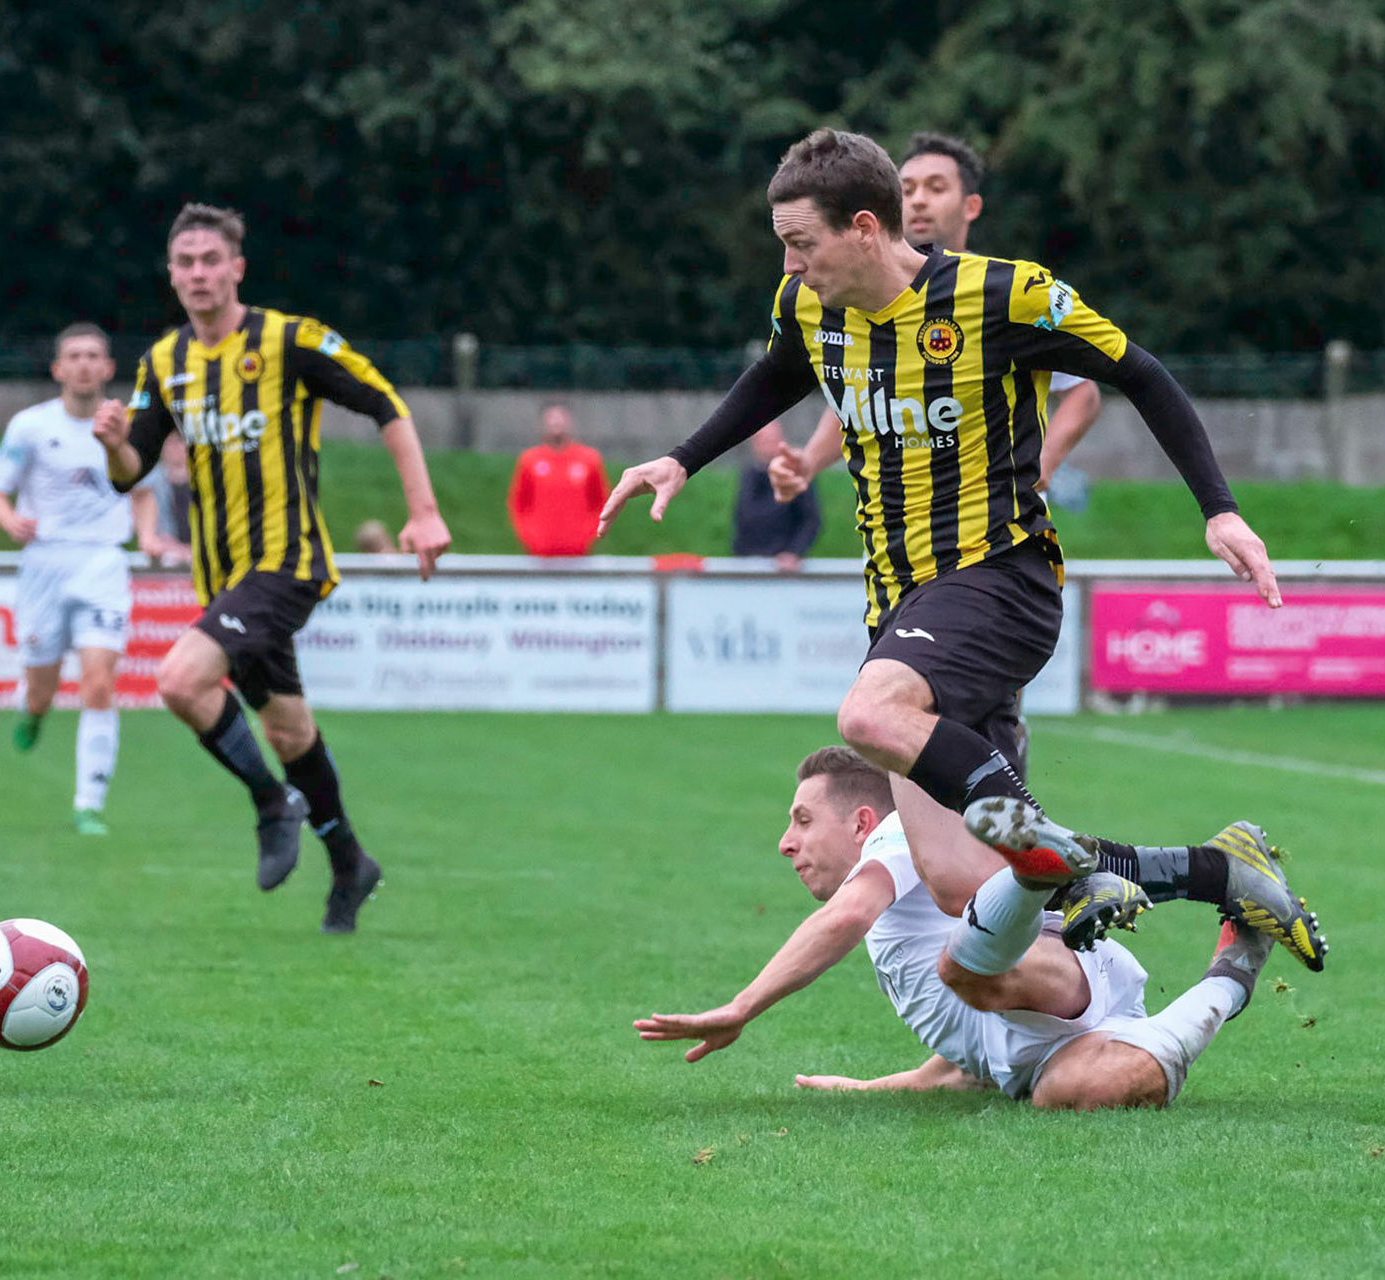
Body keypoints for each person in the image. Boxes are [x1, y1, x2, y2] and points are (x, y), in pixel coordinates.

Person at [599, 128, 1326, 974]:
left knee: (868, 717)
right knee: (960, 878)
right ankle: (1221, 870)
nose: (791, 265)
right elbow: (778, 373)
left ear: (864, 228)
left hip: (998, 576)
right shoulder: (805, 305)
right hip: (900, 603)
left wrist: (1220, 511)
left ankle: (1070, 868)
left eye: (803, 244)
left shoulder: (1004, 297)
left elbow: (1140, 372)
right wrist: (682, 459)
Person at [93, 202, 453, 934]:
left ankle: (270, 803)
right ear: (172, 275)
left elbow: (385, 402)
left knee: (178, 680)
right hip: (223, 578)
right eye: (185, 263)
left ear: (236, 269)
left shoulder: (289, 340)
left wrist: (423, 510)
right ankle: (351, 863)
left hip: (285, 564)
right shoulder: (164, 362)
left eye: (210, 260)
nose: (198, 274)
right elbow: (129, 472)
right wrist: (110, 442)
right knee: (289, 732)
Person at [635, 748, 1277, 1110]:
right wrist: (878, 1087)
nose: (785, 842)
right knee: (1084, 1095)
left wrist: (741, 1008)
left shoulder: (893, 836)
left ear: (862, 822)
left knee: (963, 971)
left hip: (1057, 970)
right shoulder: (900, 901)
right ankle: (1238, 965)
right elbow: (970, 1056)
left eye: (802, 821)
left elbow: (846, 917)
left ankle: (1048, 878)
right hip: (1044, 1036)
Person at [771, 133, 1103, 511]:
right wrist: (809, 462)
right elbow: (862, 391)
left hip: (997, 529)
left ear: (971, 206)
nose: (918, 200)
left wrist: (1041, 465)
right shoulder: (858, 294)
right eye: (907, 189)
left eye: (936, 187)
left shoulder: (1002, 297)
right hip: (899, 537)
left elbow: (1082, 393)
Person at [0, 323, 154, 836]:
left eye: (94, 356)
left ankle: (89, 803)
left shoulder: (125, 426)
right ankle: (33, 712)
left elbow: (141, 491)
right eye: (73, 356)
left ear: (108, 368)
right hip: (44, 564)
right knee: (43, 689)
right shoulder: (30, 427)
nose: (84, 364)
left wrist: (147, 537)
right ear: (58, 369)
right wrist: (8, 519)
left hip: (103, 562)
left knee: (99, 684)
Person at [507, 401, 608, 556]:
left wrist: (587, 536)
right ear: (543, 423)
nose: (556, 422)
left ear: (569, 421)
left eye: (560, 417)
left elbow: (601, 503)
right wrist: (530, 537)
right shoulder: (529, 460)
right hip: (539, 554)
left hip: (578, 553)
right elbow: (518, 504)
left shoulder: (589, 459)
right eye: (551, 418)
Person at [731, 421, 821, 569]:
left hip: (783, 565)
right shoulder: (750, 474)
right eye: (762, 441)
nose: (766, 446)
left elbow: (811, 519)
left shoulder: (794, 473)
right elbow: (742, 516)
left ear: (781, 441)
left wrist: (794, 552)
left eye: (771, 440)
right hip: (749, 562)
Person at [132, 432, 192, 566]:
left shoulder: (207, 481)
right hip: (162, 562)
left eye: (179, 442)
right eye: (169, 442)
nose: (174, 448)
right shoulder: (148, 484)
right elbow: (148, 537)